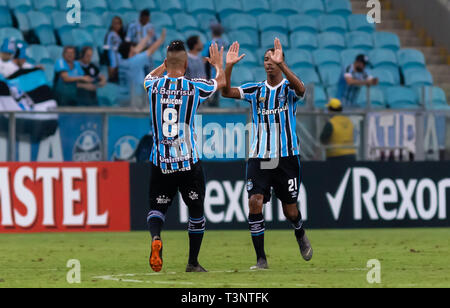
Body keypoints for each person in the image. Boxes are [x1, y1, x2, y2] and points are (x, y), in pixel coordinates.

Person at [222, 39, 313, 270]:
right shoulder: (256, 90)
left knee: (289, 210)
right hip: (259, 157)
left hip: (287, 157)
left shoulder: (288, 89)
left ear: (280, 61)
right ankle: (261, 259)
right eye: (266, 59)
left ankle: (299, 231)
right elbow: (226, 92)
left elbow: (302, 90)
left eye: (273, 59)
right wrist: (229, 66)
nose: (269, 63)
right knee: (255, 202)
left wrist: (283, 66)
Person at [143, 40, 226, 273]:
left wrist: (163, 66)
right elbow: (220, 82)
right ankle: (192, 262)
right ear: (187, 63)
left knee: (157, 208)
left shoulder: (153, 86)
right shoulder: (194, 87)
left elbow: (147, 77)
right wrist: (218, 65)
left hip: (161, 161)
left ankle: (156, 237)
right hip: (187, 161)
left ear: (167, 61)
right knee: (196, 210)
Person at [118, 29, 166, 108]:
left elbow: (137, 49)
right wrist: (161, 39)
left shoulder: (122, 61)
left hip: (122, 96)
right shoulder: (135, 61)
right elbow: (151, 50)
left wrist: (148, 37)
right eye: (132, 47)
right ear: (130, 51)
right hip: (134, 97)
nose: (134, 48)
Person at [202, 23, 229, 107]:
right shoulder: (226, 44)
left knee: (209, 102)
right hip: (222, 74)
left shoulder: (210, 44)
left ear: (212, 33)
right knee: (216, 101)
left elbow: (204, 59)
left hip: (211, 76)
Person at [104, 16, 126, 82]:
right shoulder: (109, 35)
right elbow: (106, 49)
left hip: (120, 59)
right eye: (114, 23)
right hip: (112, 59)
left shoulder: (121, 36)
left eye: (118, 23)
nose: (116, 25)